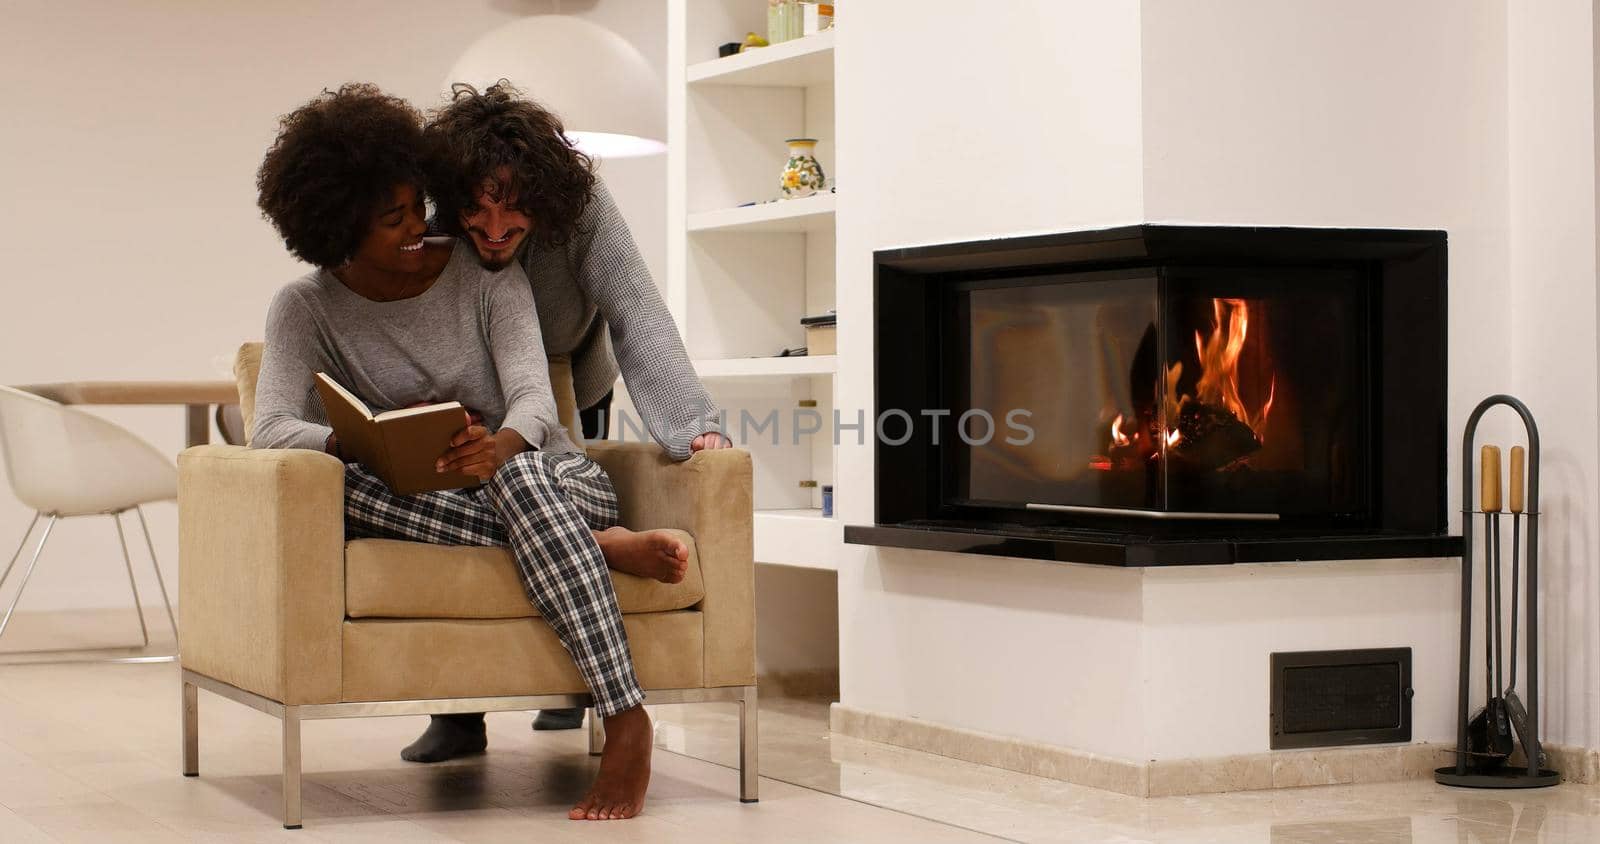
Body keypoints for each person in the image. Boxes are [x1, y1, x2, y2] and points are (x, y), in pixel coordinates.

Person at [251, 82, 652, 821]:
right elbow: (270, 428)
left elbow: (535, 397)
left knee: (526, 480)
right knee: (341, 484)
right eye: (394, 218)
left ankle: (625, 716)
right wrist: (360, 439)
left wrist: (499, 444)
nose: (419, 228)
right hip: (422, 497)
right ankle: (592, 548)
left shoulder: (484, 275)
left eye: (417, 205)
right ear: (340, 229)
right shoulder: (303, 308)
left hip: (548, 477)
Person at [397, 80, 731, 759]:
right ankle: (460, 715)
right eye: (478, 216)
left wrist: (692, 422)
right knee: (479, 512)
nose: (493, 235)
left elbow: (636, 309)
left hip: (568, 371)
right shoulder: (432, 213)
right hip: (467, 379)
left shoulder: (584, 211)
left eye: (513, 219)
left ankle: (564, 688)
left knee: (550, 500)